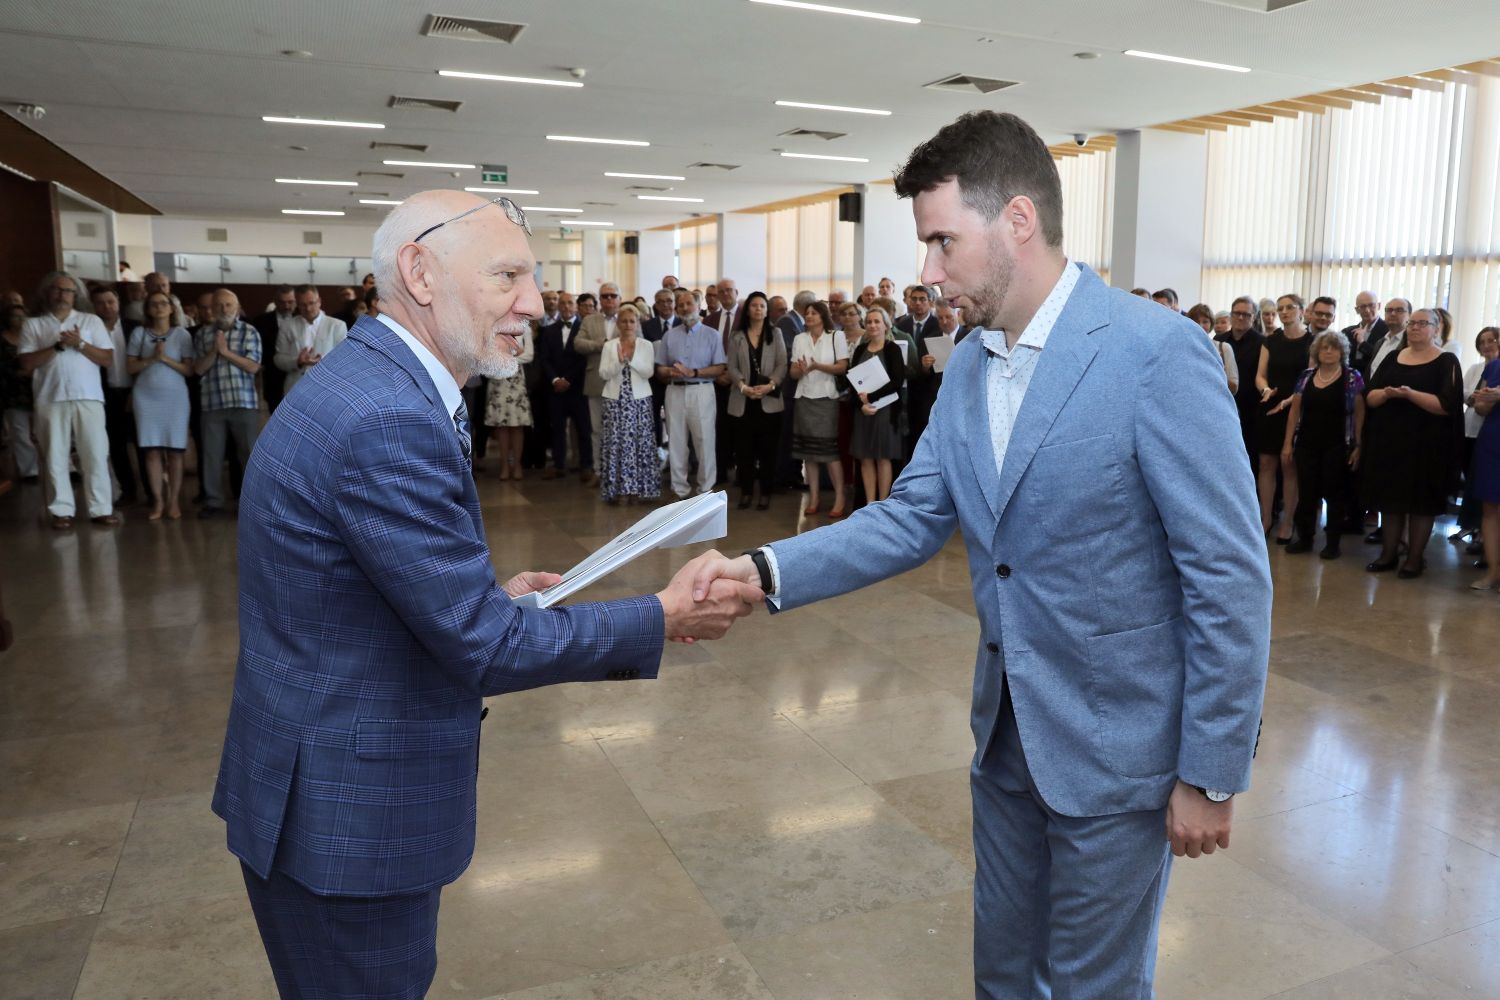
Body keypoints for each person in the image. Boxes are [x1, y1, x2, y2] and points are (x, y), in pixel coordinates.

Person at [694, 110, 1270, 1000]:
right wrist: (763, 571)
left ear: (1018, 222)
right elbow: (911, 515)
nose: (928, 271)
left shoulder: (1155, 353)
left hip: (1118, 752)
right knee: (1001, 973)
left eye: (942, 242)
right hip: (1005, 742)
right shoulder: (968, 361)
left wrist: (1211, 773)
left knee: (1095, 986)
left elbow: (1228, 575)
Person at [213, 190, 761, 1000]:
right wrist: (661, 614)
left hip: (317, 784)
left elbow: (364, 597)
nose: (533, 304)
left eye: (531, 278)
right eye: (507, 276)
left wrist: (490, 598)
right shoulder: (390, 418)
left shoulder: (367, 382)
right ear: (419, 273)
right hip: (347, 818)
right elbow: (486, 647)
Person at [1362, 308, 1463, 578]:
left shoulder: (1446, 361)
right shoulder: (1393, 357)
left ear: (1436, 329)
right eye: (1412, 323)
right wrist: (1386, 394)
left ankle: (1414, 559)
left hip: (1427, 445)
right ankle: (1388, 554)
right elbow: (1370, 396)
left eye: (1422, 323)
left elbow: (1446, 405)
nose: (1415, 328)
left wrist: (1410, 394)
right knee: (1391, 501)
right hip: (1391, 442)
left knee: (1421, 504)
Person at [18, 270, 118, 529]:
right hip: (50, 397)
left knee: (95, 453)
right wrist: (57, 347)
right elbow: (26, 363)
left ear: (76, 295)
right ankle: (61, 510)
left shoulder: (90, 321)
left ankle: (101, 509)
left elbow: (107, 359)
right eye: (57, 289)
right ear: (47, 293)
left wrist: (80, 344)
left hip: (89, 396)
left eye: (68, 291)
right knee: (55, 455)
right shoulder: (33, 324)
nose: (62, 295)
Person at [1280, 331, 1364, 558]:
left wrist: (1359, 445)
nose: (1328, 351)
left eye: (1333, 347)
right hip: (1306, 444)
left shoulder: (1352, 377)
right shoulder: (1306, 376)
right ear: (1316, 351)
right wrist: (1287, 444)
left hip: (1338, 445)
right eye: (1324, 347)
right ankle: (1305, 538)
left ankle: (1332, 544)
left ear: (1342, 352)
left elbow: (1359, 412)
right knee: (1307, 493)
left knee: (1334, 495)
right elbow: (1294, 412)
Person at [193, 289, 262, 517]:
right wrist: (215, 350)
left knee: (248, 455)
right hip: (212, 403)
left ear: (237, 307)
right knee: (211, 456)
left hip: (244, 402)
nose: (224, 309)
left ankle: (251, 502)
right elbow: (198, 368)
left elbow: (253, 366)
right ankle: (213, 502)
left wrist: (225, 352)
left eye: (229, 304)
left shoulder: (249, 331)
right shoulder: (203, 334)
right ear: (212, 309)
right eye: (219, 305)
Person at [127, 291, 195, 520]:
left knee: (175, 452)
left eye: (163, 303)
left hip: (175, 398)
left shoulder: (182, 334)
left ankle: (173, 500)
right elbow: (130, 367)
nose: (159, 307)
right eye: (153, 304)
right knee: (152, 452)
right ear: (147, 309)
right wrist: (152, 359)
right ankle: (158, 500)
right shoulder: (139, 333)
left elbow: (189, 370)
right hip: (146, 397)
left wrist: (165, 359)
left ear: (171, 308)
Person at [656, 287, 725, 498]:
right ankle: (680, 489)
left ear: (698, 306)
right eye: (681, 305)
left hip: (701, 391)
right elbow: (659, 368)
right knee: (676, 441)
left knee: (704, 440)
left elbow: (719, 368)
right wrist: (667, 371)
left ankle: (705, 489)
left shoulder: (712, 335)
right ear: (677, 310)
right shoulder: (669, 335)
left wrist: (694, 372)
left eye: (689, 304)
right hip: (674, 391)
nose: (685, 308)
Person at [1254, 294, 1310, 541]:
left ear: (1301, 311)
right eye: (1281, 308)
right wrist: (1265, 390)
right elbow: (1260, 375)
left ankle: (1288, 522)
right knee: (1266, 464)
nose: (1284, 312)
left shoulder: (1311, 341)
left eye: (1290, 307)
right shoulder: (1271, 340)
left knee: (1289, 465)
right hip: (1270, 405)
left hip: (1297, 407)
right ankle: (1266, 518)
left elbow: (1309, 378)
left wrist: (1289, 401)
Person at [726, 291, 787, 510]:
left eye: (762, 306)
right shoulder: (737, 335)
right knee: (744, 451)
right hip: (743, 400)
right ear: (747, 310)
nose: (758, 309)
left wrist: (771, 385)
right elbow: (731, 366)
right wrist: (743, 387)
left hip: (769, 400)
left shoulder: (776, 333)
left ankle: (765, 492)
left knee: (768, 451)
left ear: (767, 310)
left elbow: (782, 364)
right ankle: (746, 491)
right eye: (754, 305)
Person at [791, 301, 850, 518]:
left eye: (814, 313)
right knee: (809, 453)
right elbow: (792, 373)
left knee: (830, 452)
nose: (809, 316)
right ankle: (814, 497)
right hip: (804, 398)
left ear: (823, 316)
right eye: (807, 313)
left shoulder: (836, 336)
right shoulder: (800, 338)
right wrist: (801, 370)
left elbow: (842, 367)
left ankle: (840, 496)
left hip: (827, 399)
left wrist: (816, 366)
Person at [597, 303, 658, 505]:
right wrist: (619, 361)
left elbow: (648, 372)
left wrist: (631, 359)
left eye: (632, 321)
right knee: (617, 444)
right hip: (615, 400)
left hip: (640, 401)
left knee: (639, 443)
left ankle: (639, 490)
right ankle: (619, 490)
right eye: (624, 321)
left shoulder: (646, 345)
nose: (628, 325)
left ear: (637, 323)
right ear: (618, 323)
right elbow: (603, 373)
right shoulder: (609, 345)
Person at [91, 286, 142, 507]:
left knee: (142, 444)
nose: (107, 307)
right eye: (100, 303)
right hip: (107, 394)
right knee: (116, 445)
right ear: (94, 306)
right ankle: (128, 491)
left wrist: (136, 390)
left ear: (118, 302)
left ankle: (152, 492)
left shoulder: (135, 327)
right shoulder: (91, 330)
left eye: (110, 302)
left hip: (136, 391)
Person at [848, 305, 905, 503]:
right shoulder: (860, 349)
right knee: (865, 458)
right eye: (869, 322)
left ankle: (882, 503)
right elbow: (852, 381)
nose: (872, 325)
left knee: (882, 458)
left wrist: (870, 398)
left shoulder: (892, 349)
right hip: (863, 411)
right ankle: (869, 503)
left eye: (877, 322)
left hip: (885, 411)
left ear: (885, 325)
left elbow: (897, 381)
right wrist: (861, 404)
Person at [538, 291, 591, 481]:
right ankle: (558, 465)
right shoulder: (549, 330)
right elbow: (544, 359)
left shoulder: (584, 329)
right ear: (559, 306)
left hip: (577, 387)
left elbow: (584, 359)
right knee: (557, 428)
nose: (566, 307)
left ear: (576, 306)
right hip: (555, 389)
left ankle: (586, 466)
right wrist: (555, 380)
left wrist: (568, 379)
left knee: (583, 429)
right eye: (563, 303)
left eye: (570, 303)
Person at [573, 283, 621, 487]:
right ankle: (599, 471)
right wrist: (600, 345)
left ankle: (618, 473)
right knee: (597, 430)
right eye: (605, 296)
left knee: (619, 430)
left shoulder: (627, 317)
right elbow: (578, 344)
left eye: (613, 296)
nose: (609, 299)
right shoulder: (590, 320)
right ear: (600, 300)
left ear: (619, 299)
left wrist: (613, 347)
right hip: (595, 381)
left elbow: (638, 342)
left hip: (621, 382)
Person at [1458, 327, 1500, 558]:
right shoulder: (1478, 368)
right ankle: (1476, 530)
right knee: (1476, 487)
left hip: (1491, 432)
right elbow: (1467, 395)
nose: (1486, 345)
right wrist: (1477, 398)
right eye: (1482, 341)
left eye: (1491, 340)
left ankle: (1484, 538)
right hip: (1474, 429)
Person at [484, 315, 533, 481]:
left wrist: (505, 357)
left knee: (517, 425)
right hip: (497, 379)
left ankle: (517, 464)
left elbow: (529, 355)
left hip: (516, 381)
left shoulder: (524, 328)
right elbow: (487, 355)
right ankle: (504, 465)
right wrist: (514, 355)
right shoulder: (492, 326)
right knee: (501, 426)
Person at [275, 285, 348, 396]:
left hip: (328, 389)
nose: (308, 308)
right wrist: (297, 361)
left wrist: (323, 361)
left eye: (311, 303)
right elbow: (279, 359)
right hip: (295, 390)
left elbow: (345, 358)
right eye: (303, 304)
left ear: (319, 301)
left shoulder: (337, 326)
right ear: (297, 304)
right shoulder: (287, 326)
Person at [1218, 298, 1265, 468]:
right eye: (1237, 313)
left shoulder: (1262, 343)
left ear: (1254, 317)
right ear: (1231, 314)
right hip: (1223, 408)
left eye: (1246, 314)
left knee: (1248, 459)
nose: (1240, 317)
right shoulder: (1219, 341)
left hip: (1250, 411)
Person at [1467, 344, 1500, 589]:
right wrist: (1484, 402)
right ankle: (1493, 571)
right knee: (1490, 507)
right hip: (1492, 438)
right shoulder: (1495, 366)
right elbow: (1479, 408)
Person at [1, 303, 39, 483]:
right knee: (20, 431)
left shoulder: (33, 337)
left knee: (44, 429)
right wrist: (20, 372)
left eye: (23, 316)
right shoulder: (3, 340)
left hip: (36, 388)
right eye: (15, 316)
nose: (20, 320)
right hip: (13, 391)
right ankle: (29, 470)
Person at [251, 285, 296, 414]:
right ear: (275, 301)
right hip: (272, 376)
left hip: (297, 374)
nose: (287, 306)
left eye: (290, 302)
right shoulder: (261, 321)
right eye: (282, 302)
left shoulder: (303, 318)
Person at [1189, 302, 1238, 394]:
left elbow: (1234, 387)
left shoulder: (1224, 348)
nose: (1200, 325)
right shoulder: (1183, 348)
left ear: (1211, 324)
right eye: (1196, 321)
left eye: (1205, 321)